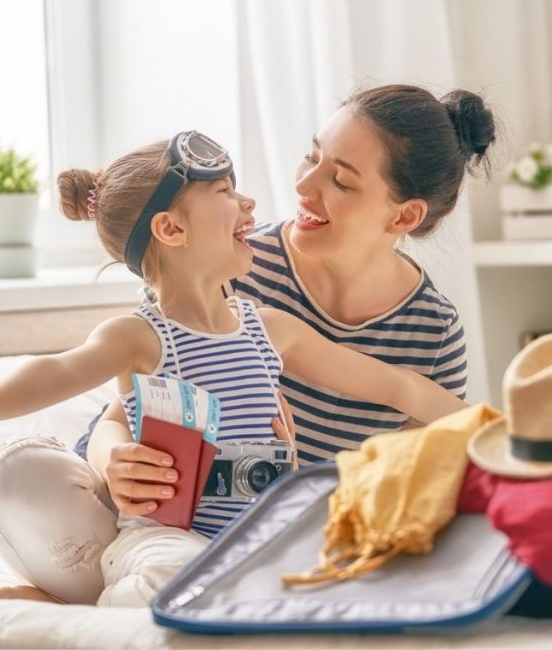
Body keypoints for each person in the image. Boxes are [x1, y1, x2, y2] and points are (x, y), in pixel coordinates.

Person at [0, 130, 470, 606]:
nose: (250, 204)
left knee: (326, 567)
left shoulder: (270, 328)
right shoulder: (141, 337)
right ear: (170, 228)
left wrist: (498, 426)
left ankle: (75, 600)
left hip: (260, 531)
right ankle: (108, 609)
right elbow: (59, 371)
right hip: (168, 533)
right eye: (226, 193)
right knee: (166, 572)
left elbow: (396, 386)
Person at [83, 84, 497, 518]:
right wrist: (113, 459)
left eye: (339, 180)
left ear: (404, 216)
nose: (303, 183)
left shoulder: (433, 332)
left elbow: (404, 488)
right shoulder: (229, 266)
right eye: (312, 156)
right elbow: (118, 418)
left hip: (295, 529)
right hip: (164, 510)